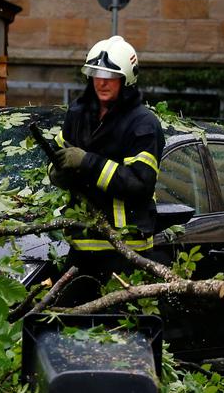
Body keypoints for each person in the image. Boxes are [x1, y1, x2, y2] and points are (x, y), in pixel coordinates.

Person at [48, 35, 166, 299]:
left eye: (110, 75)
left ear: (126, 80)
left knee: (120, 330)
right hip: (81, 244)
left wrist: (87, 162)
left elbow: (139, 184)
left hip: (126, 250)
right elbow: (59, 156)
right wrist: (57, 173)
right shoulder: (78, 114)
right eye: (96, 74)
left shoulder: (143, 124)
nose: (101, 82)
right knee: (67, 326)